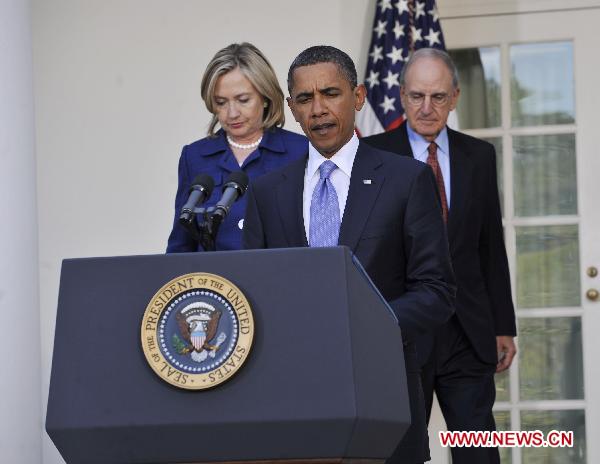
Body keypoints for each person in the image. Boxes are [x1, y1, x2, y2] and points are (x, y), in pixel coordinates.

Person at [243, 45, 456, 464]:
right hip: (293, 404)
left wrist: (365, 328)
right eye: (305, 99)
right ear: (291, 108)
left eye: (331, 93)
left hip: (381, 396)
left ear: (358, 97)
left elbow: (436, 291)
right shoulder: (267, 192)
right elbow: (255, 294)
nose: (318, 109)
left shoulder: (406, 180)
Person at [363, 48, 517, 464]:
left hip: (468, 330)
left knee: (478, 452)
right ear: (400, 96)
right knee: (404, 453)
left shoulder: (479, 156)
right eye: (416, 96)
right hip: (406, 331)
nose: (427, 108)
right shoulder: (372, 156)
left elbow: (489, 245)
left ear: (456, 97)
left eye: (438, 97)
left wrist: (503, 324)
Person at [166, 42, 307, 252]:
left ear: (265, 97)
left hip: (277, 279)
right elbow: (181, 243)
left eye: (243, 100)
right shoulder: (195, 156)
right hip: (213, 282)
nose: (232, 113)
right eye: (221, 102)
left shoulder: (300, 151)